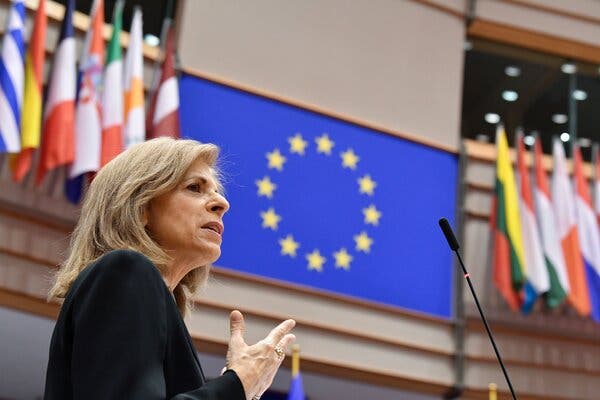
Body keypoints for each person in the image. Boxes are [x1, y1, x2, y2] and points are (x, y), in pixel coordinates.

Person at [43, 138, 296, 400]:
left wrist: (243, 387)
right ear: (140, 207)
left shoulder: (145, 295)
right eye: (195, 187)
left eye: (216, 191)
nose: (221, 203)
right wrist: (238, 384)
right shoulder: (125, 270)